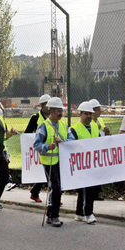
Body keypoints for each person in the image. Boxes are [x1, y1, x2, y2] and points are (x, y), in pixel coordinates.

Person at [33, 97, 75, 226]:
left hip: (61, 162)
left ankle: (51, 215)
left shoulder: (63, 125)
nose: (60, 113)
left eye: (61, 110)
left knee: (59, 188)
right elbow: (36, 145)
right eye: (57, 110)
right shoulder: (44, 126)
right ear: (51, 111)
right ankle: (53, 215)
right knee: (55, 187)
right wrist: (47, 147)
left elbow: (72, 140)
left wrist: (63, 142)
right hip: (49, 162)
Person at [70, 102, 99, 224]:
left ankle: (79, 213)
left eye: (90, 114)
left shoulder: (95, 126)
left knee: (85, 189)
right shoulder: (74, 129)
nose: (88, 116)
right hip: (80, 164)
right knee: (88, 189)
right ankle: (88, 213)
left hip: (92, 162)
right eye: (86, 113)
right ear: (80, 114)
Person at [25, 94, 51, 202]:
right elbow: (27, 133)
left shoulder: (54, 118)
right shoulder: (35, 118)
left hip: (50, 150)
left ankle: (37, 193)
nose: (49, 107)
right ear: (42, 106)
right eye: (47, 105)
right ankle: (36, 193)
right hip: (39, 150)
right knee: (45, 173)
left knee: (49, 174)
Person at [90, 98, 110, 201]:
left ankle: (97, 192)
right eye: (98, 109)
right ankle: (93, 193)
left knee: (99, 173)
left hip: (100, 149)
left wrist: (107, 131)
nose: (100, 111)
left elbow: (103, 134)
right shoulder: (89, 122)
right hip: (92, 150)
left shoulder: (100, 120)